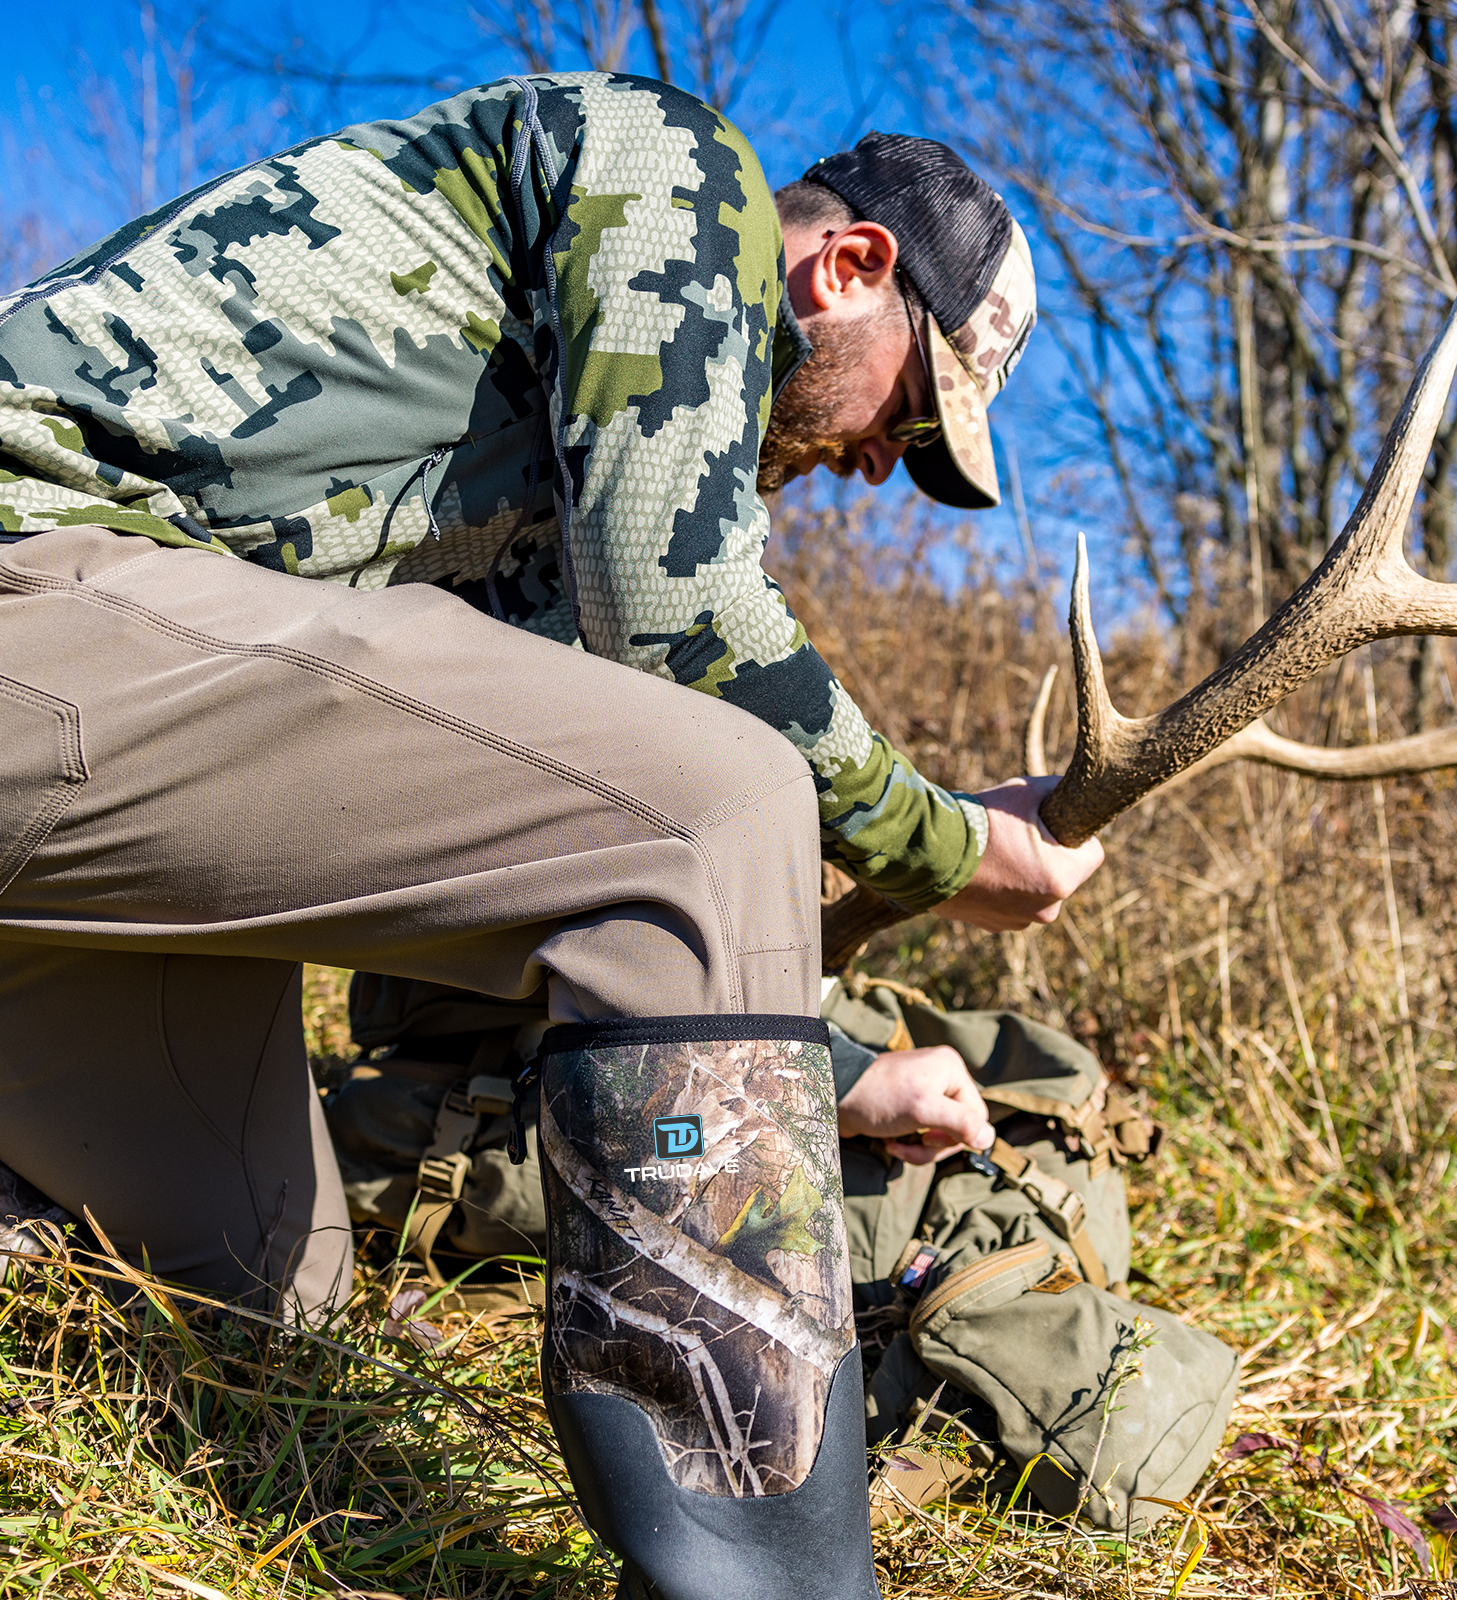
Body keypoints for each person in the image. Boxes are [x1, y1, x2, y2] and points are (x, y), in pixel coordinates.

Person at [0, 72, 1102, 1600]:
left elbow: (493, 938)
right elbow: (686, 632)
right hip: (37, 595)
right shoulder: (673, 170)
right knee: (726, 797)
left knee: (271, 1305)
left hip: (89, 775)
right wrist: (946, 846)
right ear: (849, 269)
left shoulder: (515, 532)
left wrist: (835, 1081)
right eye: (908, 416)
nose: (875, 465)